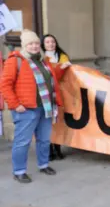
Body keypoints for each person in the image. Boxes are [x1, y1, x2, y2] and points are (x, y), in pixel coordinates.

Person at [0, 29, 71, 183]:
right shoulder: (15, 60)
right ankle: (19, 171)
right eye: (31, 43)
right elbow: (5, 85)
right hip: (25, 109)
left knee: (44, 139)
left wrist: (63, 67)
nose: (34, 46)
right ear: (24, 45)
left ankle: (43, 164)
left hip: (45, 107)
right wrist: (15, 105)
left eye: (36, 43)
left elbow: (51, 77)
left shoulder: (43, 60)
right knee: (23, 141)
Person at [41, 33, 70, 161]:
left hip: (59, 93)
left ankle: (57, 148)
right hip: (45, 94)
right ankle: (49, 150)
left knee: (57, 122)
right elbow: (51, 75)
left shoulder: (62, 56)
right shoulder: (41, 58)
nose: (51, 44)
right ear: (43, 44)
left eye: (52, 41)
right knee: (47, 123)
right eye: (47, 42)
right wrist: (60, 68)